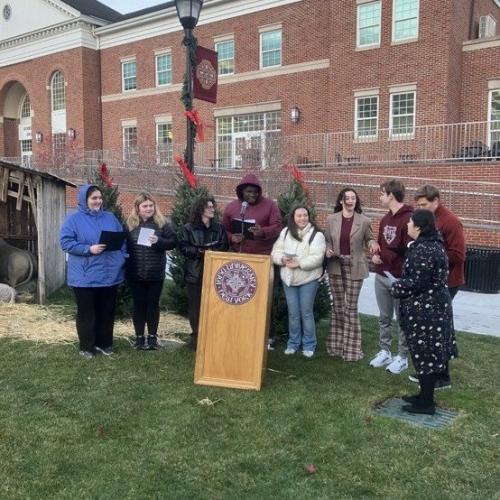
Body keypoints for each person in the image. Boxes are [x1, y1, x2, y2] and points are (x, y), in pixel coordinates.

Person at [391, 209, 458, 415]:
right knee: (424, 353)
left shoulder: (425, 250)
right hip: (431, 308)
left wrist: (396, 287)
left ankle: (427, 404)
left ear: (419, 226)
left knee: (426, 353)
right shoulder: (431, 246)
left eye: (411, 222)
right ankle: (424, 396)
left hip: (427, 311)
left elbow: (417, 282)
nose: (408, 225)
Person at [60, 184, 127, 358]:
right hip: (84, 275)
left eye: (99, 198)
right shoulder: (73, 220)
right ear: (84, 200)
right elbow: (65, 243)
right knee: (86, 313)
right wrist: (88, 249)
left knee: (106, 311)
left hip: (109, 274)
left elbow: (122, 239)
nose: (98, 201)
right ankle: (86, 346)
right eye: (94, 198)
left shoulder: (110, 217)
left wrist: (122, 256)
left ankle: (105, 344)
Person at [409, 184, 466, 389]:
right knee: (430, 329)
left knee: (438, 329)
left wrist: (432, 256)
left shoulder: (451, 222)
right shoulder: (428, 220)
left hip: (447, 283)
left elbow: (459, 255)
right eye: (418, 205)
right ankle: (429, 373)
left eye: (424, 204)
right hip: (431, 283)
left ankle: (442, 377)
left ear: (436, 201)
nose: (420, 209)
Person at [222, 173, 282, 348]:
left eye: (255, 192)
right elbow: (223, 229)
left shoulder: (270, 206)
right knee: (240, 296)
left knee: (262, 298)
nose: (252, 195)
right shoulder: (232, 208)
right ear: (241, 192)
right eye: (249, 192)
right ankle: (241, 331)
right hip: (238, 258)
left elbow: (278, 226)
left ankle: (267, 336)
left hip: (261, 258)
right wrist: (232, 237)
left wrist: (262, 231)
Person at [325, 188, 378, 361]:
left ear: (356, 201)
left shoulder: (364, 220)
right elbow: (326, 240)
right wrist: (327, 249)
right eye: (346, 198)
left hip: (355, 267)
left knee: (351, 308)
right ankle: (336, 346)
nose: (349, 200)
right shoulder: (331, 219)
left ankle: (351, 350)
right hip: (335, 266)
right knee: (338, 306)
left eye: (353, 198)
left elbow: (369, 238)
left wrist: (372, 244)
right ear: (341, 201)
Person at [369, 179, 413, 374]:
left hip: (399, 278)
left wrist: (385, 257)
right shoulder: (385, 218)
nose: (380, 196)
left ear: (391, 196)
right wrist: (375, 254)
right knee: (384, 317)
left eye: (382, 193)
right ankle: (384, 351)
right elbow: (380, 243)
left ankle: (402, 357)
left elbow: (406, 250)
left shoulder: (409, 218)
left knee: (402, 319)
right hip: (381, 275)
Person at [271, 205, 326, 358]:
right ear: (293, 218)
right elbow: (275, 251)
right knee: (293, 313)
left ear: (308, 217)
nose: (302, 218)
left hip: (308, 279)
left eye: (304, 215)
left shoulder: (317, 235)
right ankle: (293, 343)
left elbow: (317, 257)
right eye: (298, 216)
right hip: (289, 279)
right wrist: (282, 258)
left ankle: (309, 344)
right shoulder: (286, 232)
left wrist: (299, 263)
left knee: (306, 312)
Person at [125, 192, 177, 350]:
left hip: (155, 273)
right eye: (145, 206)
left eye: (151, 206)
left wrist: (159, 241)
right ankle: (139, 338)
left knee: (153, 305)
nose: (149, 209)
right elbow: (123, 244)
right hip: (135, 273)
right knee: (139, 305)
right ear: (137, 208)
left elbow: (173, 241)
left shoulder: (162, 223)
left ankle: (152, 338)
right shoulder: (129, 224)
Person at [180, 196, 229, 350]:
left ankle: (213, 336)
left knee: (214, 305)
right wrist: (199, 252)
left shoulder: (219, 228)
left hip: (215, 271)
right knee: (195, 306)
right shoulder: (189, 228)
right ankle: (196, 338)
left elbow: (224, 246)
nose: (212, 209)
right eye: (209, 207)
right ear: (201, 209)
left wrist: (211, 252)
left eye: (212, 206)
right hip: (195, 272)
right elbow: (183, 247)